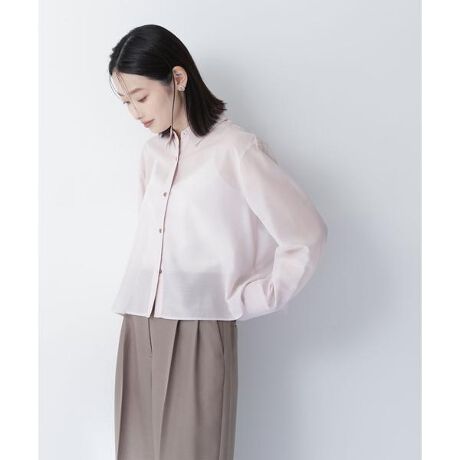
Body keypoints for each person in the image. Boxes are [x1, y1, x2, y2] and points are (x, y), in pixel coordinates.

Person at [108, 24, 328, 460]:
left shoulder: (236, 149)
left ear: (177, 78)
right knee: (135, 451)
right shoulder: (151, 156)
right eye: (125, 101)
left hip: (199, 327)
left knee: (193, 452)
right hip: (138, 322)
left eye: (140, 97)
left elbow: (306, 234)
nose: (134, 113)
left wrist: (254, 297)